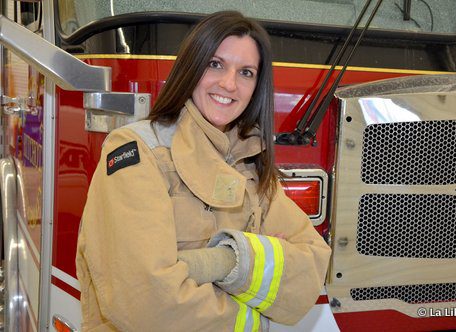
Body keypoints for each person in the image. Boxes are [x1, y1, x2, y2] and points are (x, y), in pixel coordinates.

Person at [76, 11, 331, 332]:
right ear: (191, 67)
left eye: (246, 72)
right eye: (215, 64)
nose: (229, 83)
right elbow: (147, 304)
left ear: (257, 87)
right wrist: (261, 312)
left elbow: (312, 268)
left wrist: (220, 262)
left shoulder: (252, 161)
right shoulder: (137, 150)